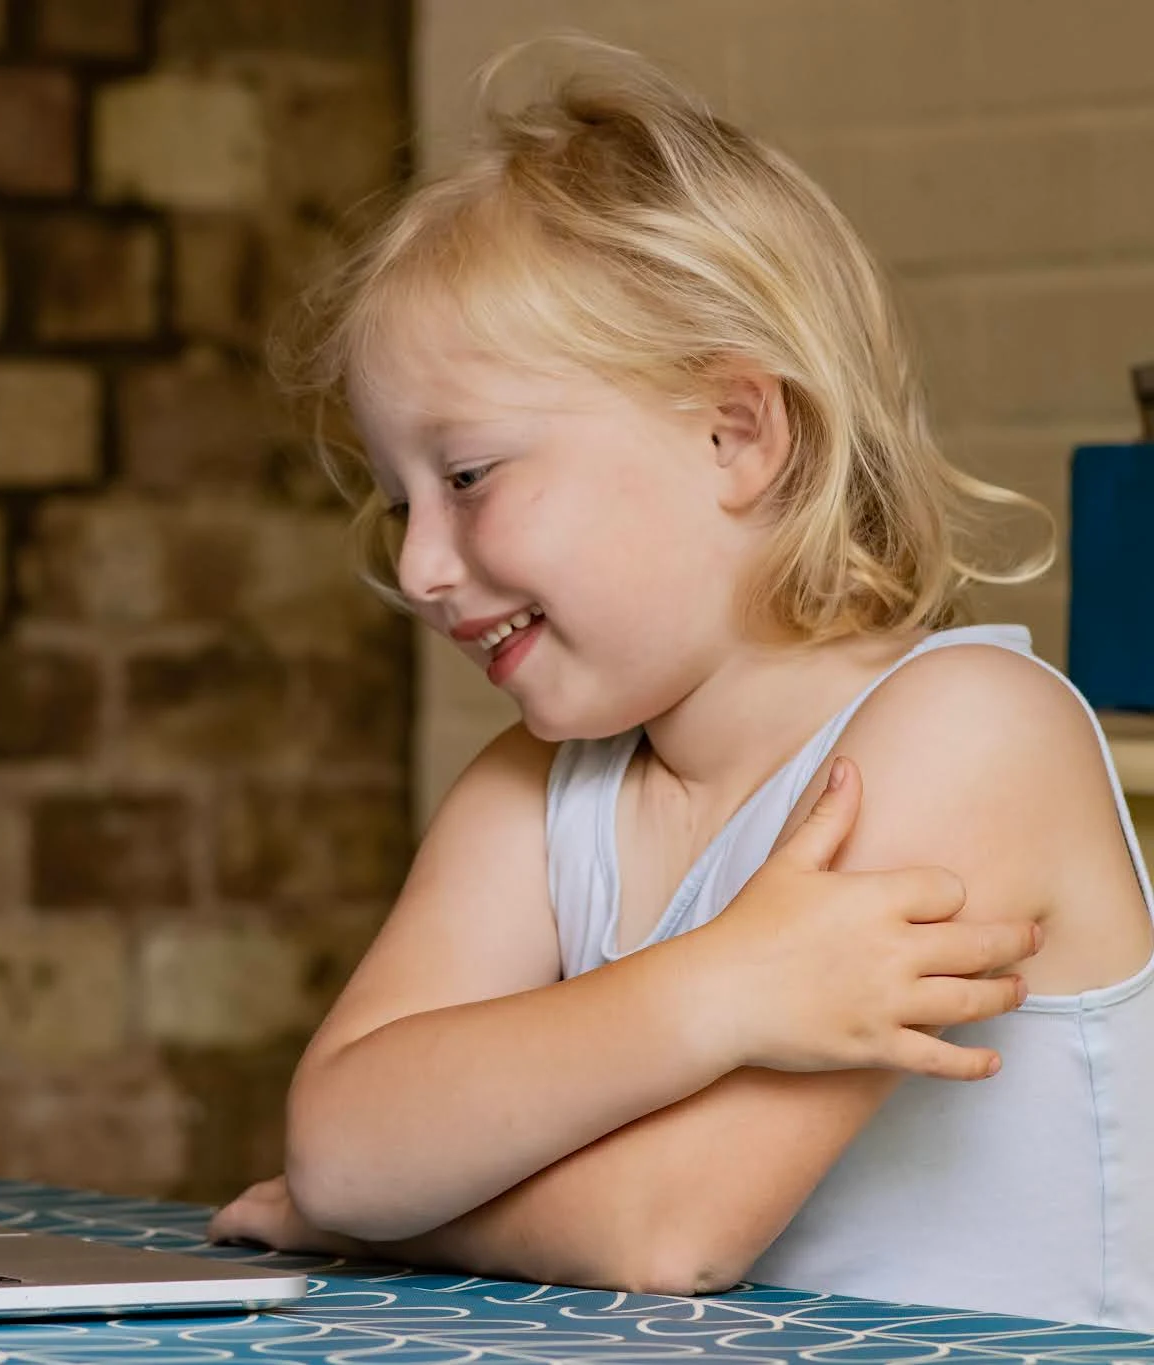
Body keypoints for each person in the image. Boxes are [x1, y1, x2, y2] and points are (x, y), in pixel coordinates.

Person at [208, 36, 1154, 1332]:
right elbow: (343, 1140)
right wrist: (722, 988)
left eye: (470, 476)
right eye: (398, 502)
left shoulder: (971, 734)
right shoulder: (541, 789)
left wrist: (378, 1220)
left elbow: (673, 1232)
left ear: (736, 434)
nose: (423, 566)